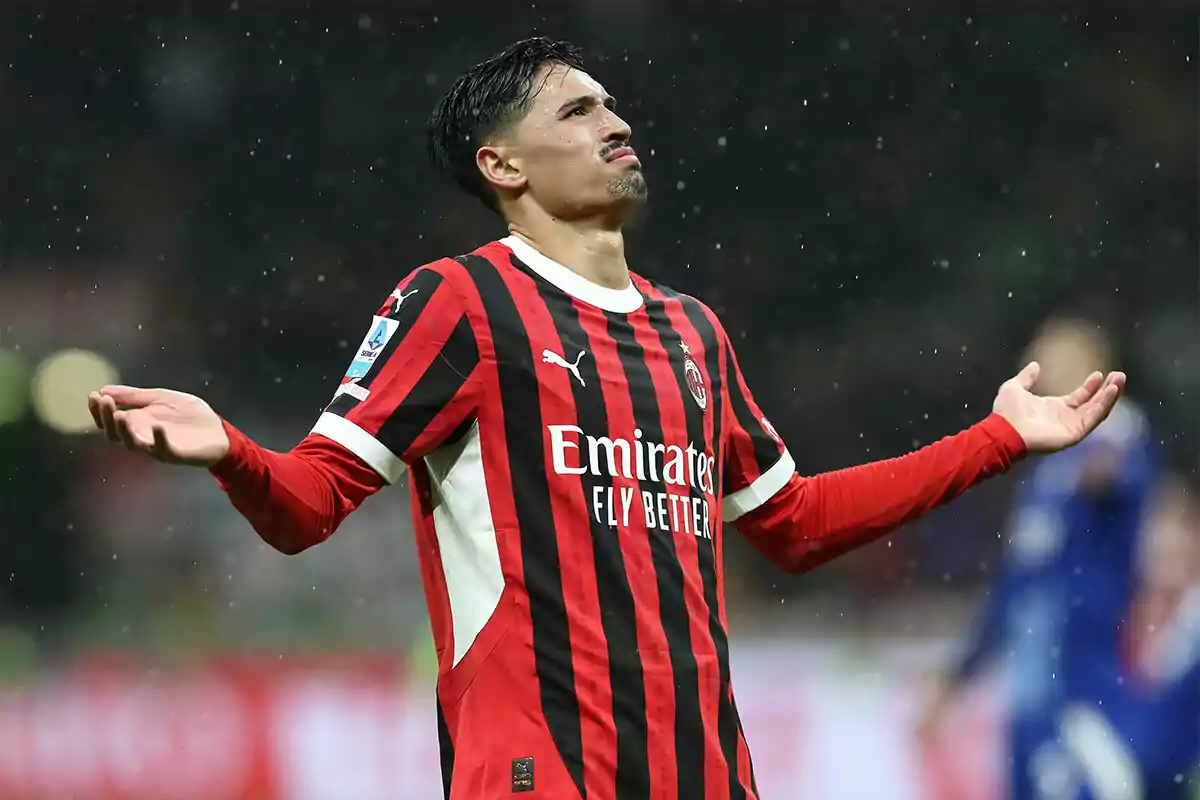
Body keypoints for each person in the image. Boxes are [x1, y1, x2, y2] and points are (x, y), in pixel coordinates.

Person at [88, 38, 1125, 800]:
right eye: (578, 112)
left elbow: (795, 522)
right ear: (504, 166)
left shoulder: (692, 332)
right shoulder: (459, 302)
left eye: (613, 105)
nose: (617, 124)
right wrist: (230, 450)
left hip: (708, 772)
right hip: (541, 772)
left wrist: (996, 438)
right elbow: (309, 502)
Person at [918, 317, 1159, 800]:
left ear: (1090, 363)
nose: (1035, 364)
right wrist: (961, 674)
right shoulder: (1047, 472)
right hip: (1031, 691)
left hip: (1087, 687)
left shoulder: (1118, 432)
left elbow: (1118, 476)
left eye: (1047, 353)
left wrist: (1099, 444)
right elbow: (1014, 587)